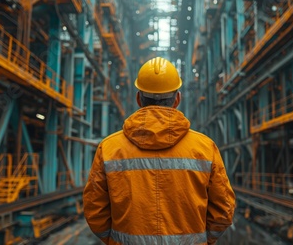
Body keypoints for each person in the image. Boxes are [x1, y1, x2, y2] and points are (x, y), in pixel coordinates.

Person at [83, 57, 235, 245]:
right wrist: (203, 239)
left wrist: (113, 240)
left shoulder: (109, 148)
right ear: (177, 99)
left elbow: (94, 209)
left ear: (139, 99)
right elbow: (224, 210)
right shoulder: (205, 148)